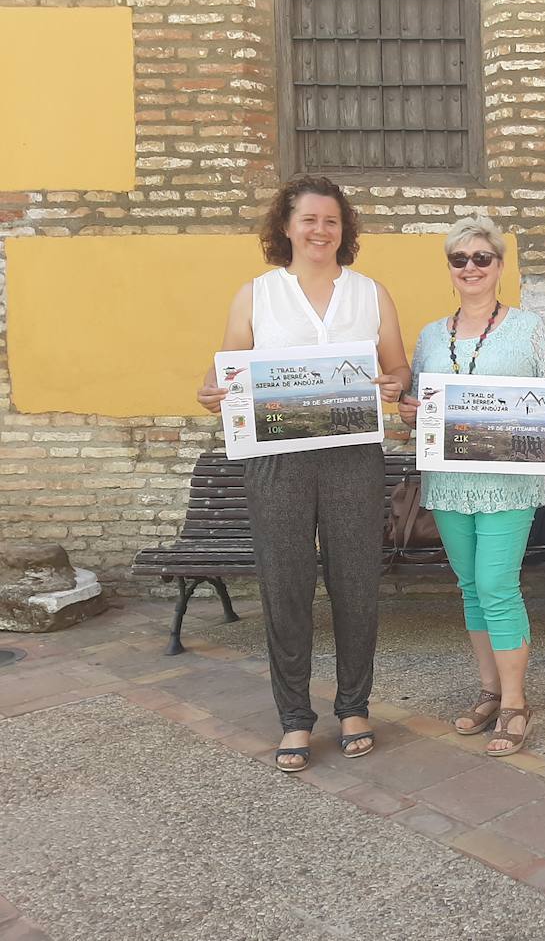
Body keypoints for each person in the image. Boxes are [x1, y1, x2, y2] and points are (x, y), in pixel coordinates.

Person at [196, 175, 411, 772]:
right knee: (285, 586)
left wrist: (396, 384)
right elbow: (225, 376)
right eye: (309, 220)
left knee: (356, 582)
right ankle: (294, 717)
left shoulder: (370, 294)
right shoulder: (256, 296)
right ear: (285, 226)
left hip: (352, 458)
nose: (321, 231)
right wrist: (211, 392)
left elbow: (397, 372)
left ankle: (354, 706)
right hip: (277, 461)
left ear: (345, 231)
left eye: (332, 221)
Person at [398, 216, 545, 757]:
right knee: (471, 588)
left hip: (508, 483)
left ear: (499, 266)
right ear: (449, 268)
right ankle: (490, 690)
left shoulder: (528, 329)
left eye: (481, 258)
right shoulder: (428, 336)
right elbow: (416, 413)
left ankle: (517, 702)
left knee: (498, 586)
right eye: (459, 259)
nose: (470, 268)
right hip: (448, 483)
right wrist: (408, 413)